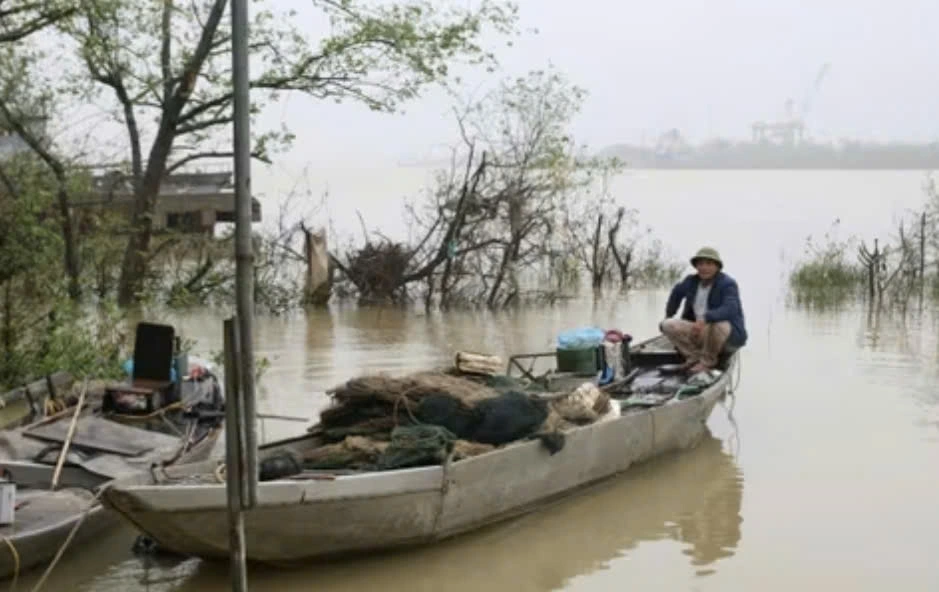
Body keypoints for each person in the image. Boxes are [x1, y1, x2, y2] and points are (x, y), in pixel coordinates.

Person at [660, 247, 746, 373]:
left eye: (709, 264)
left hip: (726, 336)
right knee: (666, 325)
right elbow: (676, 293)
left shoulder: (727, 284)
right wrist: (669, 314)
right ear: (696, 266)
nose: (704, 268)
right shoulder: (691, 281)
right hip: (699, 330)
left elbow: (730, 308)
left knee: (718, 324)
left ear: (717, 267)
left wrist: (705, 318)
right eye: (700, 264)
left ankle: (707, 362)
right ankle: (693, 357)